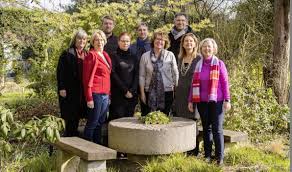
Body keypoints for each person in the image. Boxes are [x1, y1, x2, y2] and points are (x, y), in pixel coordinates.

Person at [188, 38, 231, 165]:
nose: (207, 49)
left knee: (217, 129)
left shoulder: (219, 63)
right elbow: (193, 84)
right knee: (206, 128)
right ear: (201, 49)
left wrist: (227, 100)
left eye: (209, 47)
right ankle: (207, 155)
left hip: (217, 101)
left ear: (214, 49)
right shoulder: (198, 64)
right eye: (204, 47)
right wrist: (190, 100)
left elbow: (224, 83)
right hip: (201, 101)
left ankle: (219, 158)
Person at [57, 29, 88, 137]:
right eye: (79, 38)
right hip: (69, 90)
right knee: (70, 117)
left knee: (80, 114)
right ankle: (69, 139)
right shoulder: (66, 53)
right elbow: (60, 72)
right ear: (75, 39)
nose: (82, 41)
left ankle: (77, 140)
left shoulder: (87, 53)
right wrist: (61, 88)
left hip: (82, 91)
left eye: (84, 39)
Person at [139, 31, 179, 116]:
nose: (159, 41)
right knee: (148, 119)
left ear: (165, 43)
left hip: (166, 92)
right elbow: (142, 76)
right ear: (153, 40)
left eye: (162, 40)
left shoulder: (170, 55)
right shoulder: (145, 56)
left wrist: (176, 90)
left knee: (164, 119)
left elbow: (175, 73)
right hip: (149, 92)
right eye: (157, 39)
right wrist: (142, 93)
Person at [83, 30, 112, 144]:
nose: (99, 42)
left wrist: (109, 95)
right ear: (92, 42)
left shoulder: (105, 55)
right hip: (95, 94)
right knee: (92, 123)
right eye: (96, 40)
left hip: (105, 94)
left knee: (100, 122)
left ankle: (96, 148)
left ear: (104, 41)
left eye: (101, 40)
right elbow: (86, 78)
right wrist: (89, 98)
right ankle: (86, 149)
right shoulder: (91, 55)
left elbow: (107, 77)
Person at [174, 33, 200, 155]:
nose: (188, 43)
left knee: (192, 122)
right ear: (183, 44)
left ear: (195, 43)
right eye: (186, 41)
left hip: (193, 95)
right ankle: (183, 149)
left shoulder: (199, 58)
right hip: (179, 95)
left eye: (191, 41)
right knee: (180, 121)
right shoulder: (179, 58)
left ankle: (193, 151)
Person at [109, 32, 139, 120]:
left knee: (129, 122)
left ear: (130, 42)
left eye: (127, 41)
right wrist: (125, 91)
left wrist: (132, 91)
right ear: (118, 42)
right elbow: (113, 74)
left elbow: (137, 74)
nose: (125, 43)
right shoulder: (113, 56)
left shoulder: (134, 57)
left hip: (131, 95)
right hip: (118, 94)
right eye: (123, 41)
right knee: (117, 120)